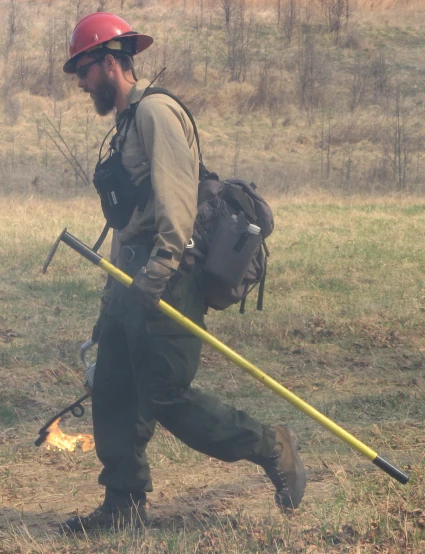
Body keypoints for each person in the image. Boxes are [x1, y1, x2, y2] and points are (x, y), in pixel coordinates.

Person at [61, 12, 306, 533]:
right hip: (130, 274)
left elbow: (176, 203)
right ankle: (122, 506)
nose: (81, 85)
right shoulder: (126, 121)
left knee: (165, 394)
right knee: (113, 388)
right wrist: (117, 291)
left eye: (83, 72)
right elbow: (132, 216)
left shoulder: (155, 114)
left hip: (168, 273)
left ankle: (271, 445)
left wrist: (159, 269)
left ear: (110, 63)